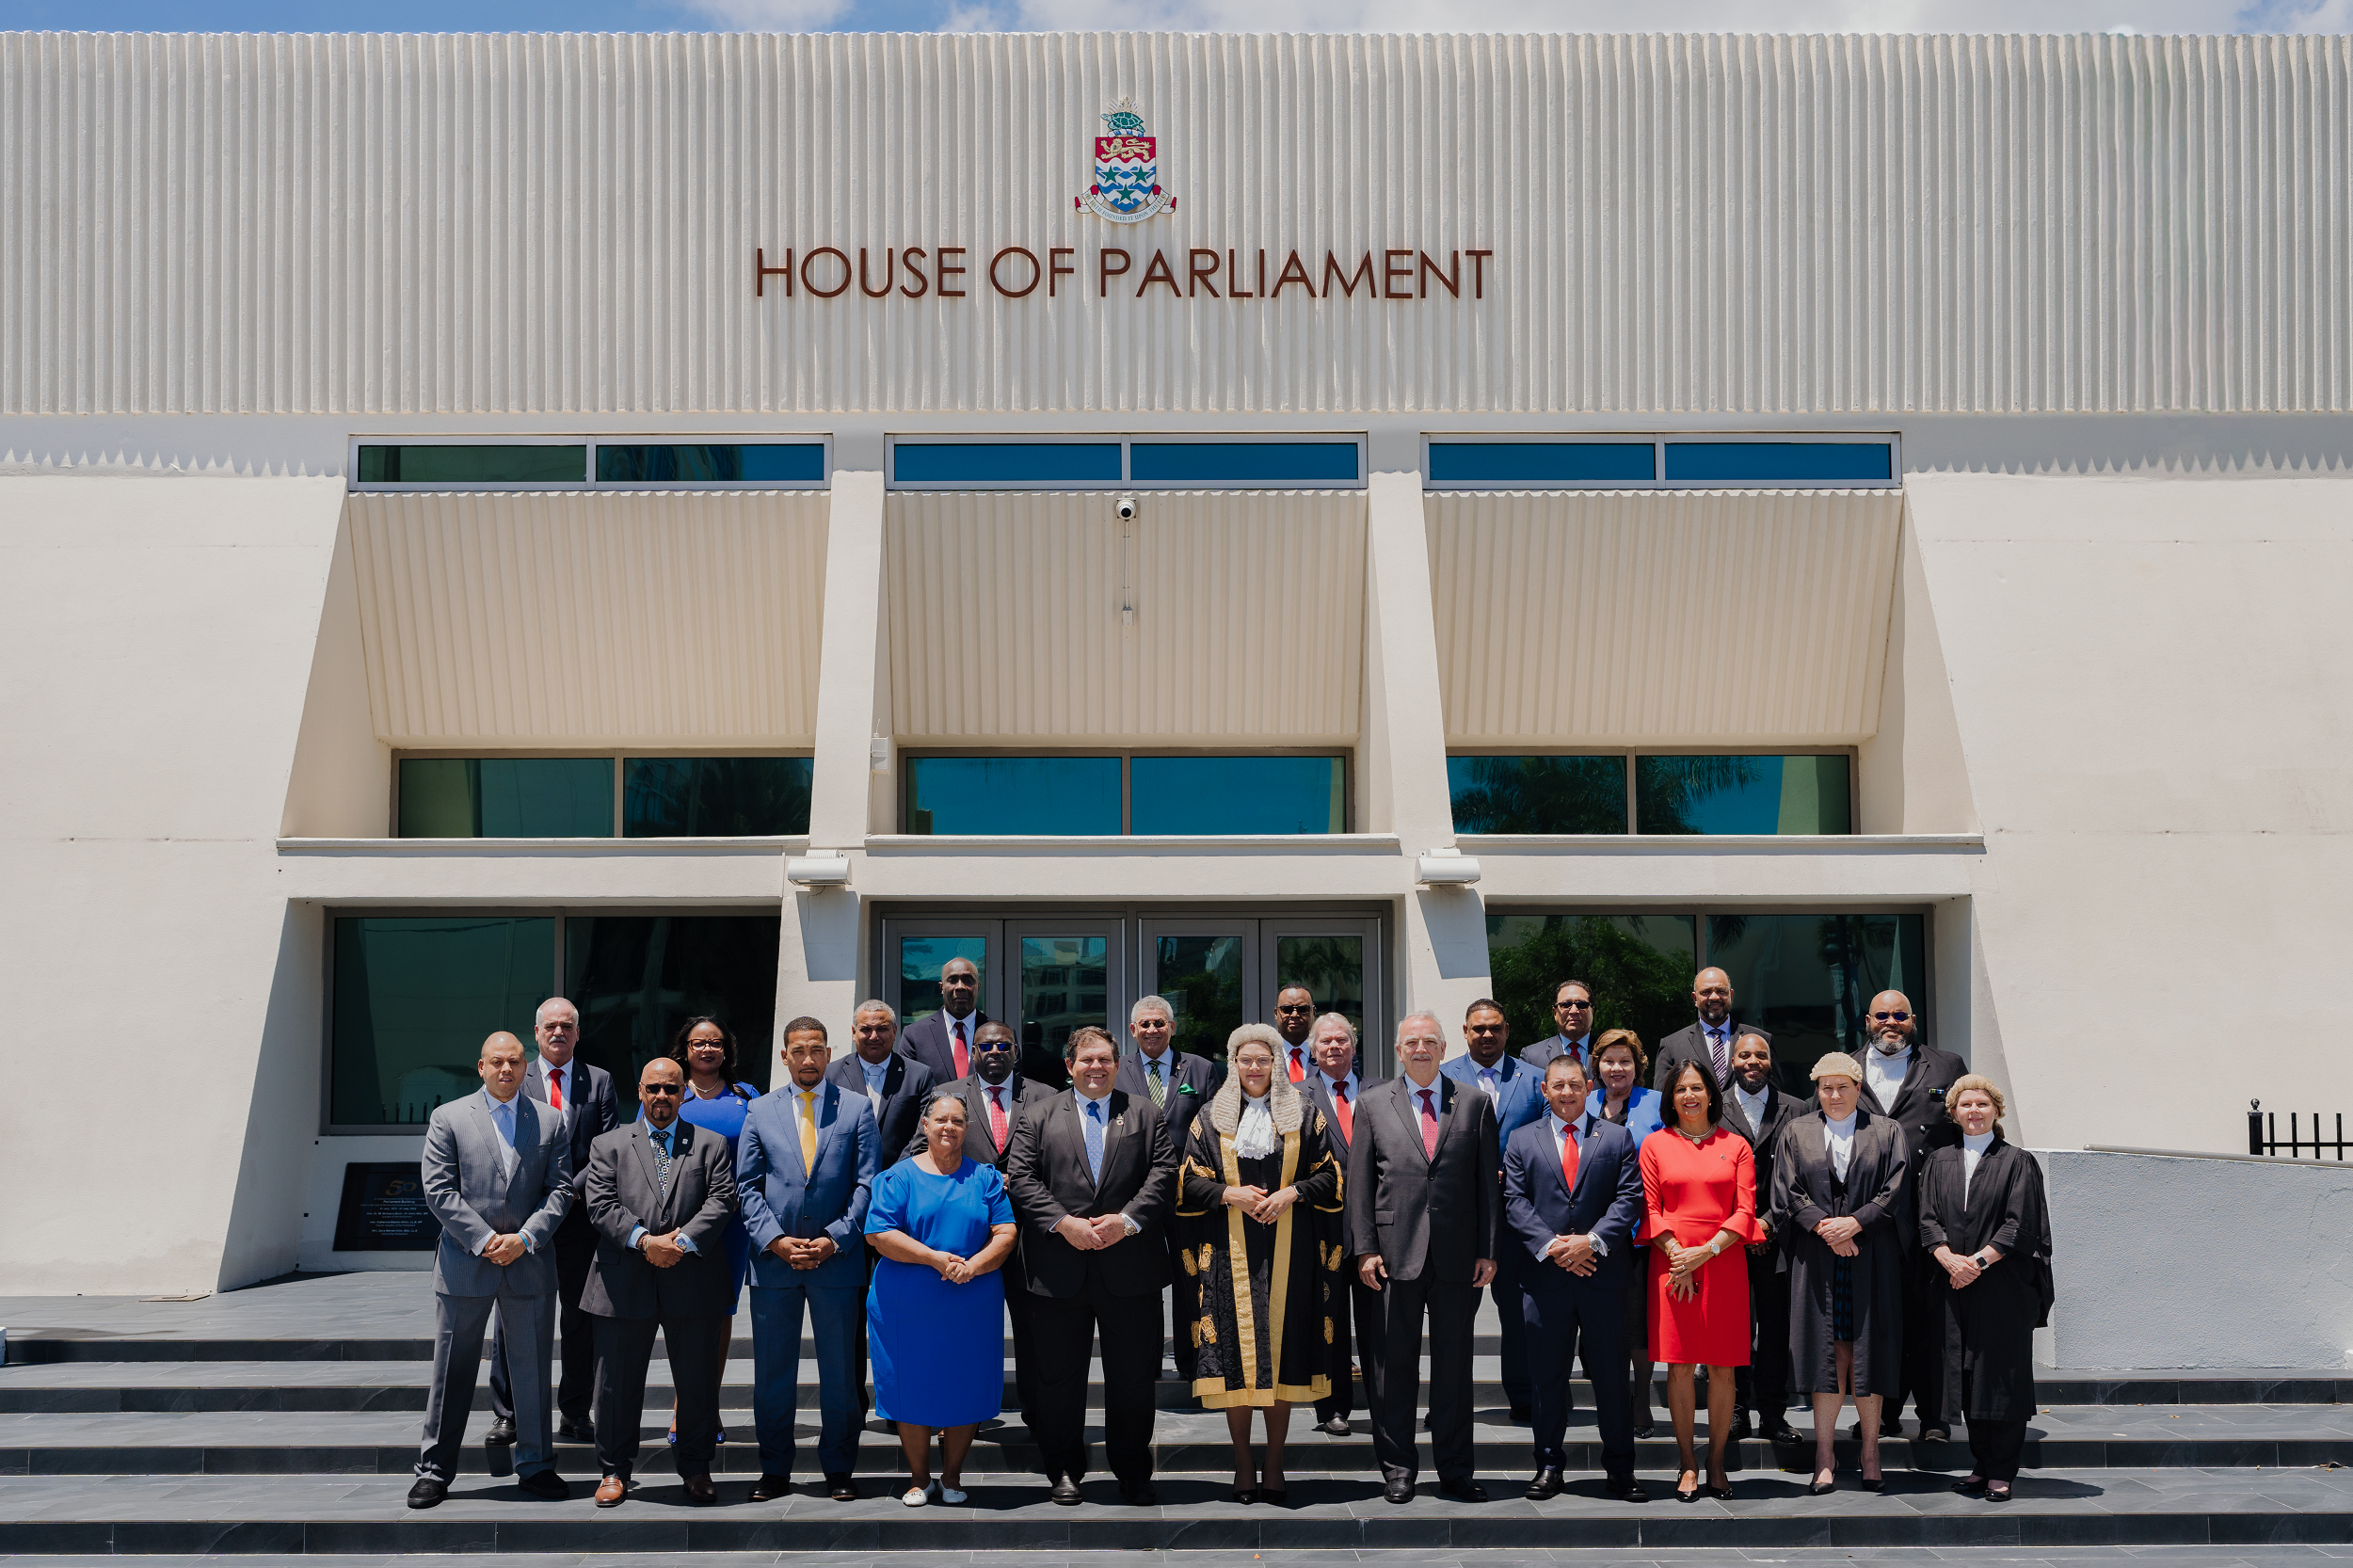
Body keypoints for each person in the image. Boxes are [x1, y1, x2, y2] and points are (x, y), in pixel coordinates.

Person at [1002, 1025, 1179, 1507]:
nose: (1096, 1068)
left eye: (1104, 1059)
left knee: (1133, 1378)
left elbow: (1164, 1172)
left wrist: (1128, 1221)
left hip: (1131, 1268)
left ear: (1118, 1064)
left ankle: (1132, 1471)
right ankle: (1062, 1469)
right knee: (1058, 1378)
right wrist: (1063, 1224)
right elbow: (1020, 1178)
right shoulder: (1038, 1116)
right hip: (1059, 1269)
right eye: (1086, 1061)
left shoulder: (1144, 1112)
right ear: (1069, 1066)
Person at [1176, 1024, 1346, 1504]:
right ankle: (1242, 1462)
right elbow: (1187, 1180)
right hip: (1229, 1258)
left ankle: (1274, 1461)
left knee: (1281, 1359)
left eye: (1263, 1059)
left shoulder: (1304, 1114)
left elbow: (1331, 1173)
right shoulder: (1209, 1117)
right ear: (1233, 1064)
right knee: (1237, 1363)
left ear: (1276, 1063)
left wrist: (1293, 1192)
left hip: (1290, 1257)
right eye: (1245, 1060)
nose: (1255, 1068)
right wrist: (1229, 1193)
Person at [409, 1032, 575, 1510]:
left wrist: (525, 1239)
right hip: (465, 1264)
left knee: (533, 1371)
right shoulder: (450, 1117)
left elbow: (561, 1189)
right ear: (480, 1066)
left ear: (527, 1068)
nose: (507, 1070)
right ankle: (435, 1470)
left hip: (529, 1263)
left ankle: (537, 1464)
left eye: (516, 1062)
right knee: (452, 1371)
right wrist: (484, 1241)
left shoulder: (548, 1120)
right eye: (497, 1062)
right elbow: (439, 1190)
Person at [1346, 1011, 1498, 1505]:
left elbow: (1486, 1188)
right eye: (1411, 1042)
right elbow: (1360, 1185)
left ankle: (1455, 1469)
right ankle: (1397, 1468)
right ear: (1397, 1050)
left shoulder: (1474, 1104)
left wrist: (1488, 1251)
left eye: (1429, 1040)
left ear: (1443, 1045)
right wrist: (1365, 1248)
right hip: (1393, 1255)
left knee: (1454, 1369)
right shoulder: (1371, 1104)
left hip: (1457, 1258)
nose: (1420, 1049)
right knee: (1394, 1368)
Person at [579, 1057, 740, 1508]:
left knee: (696, 1382)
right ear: (641, 1091)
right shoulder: (607, 1145)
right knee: (615, 1385)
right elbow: (600, 1205)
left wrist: (682, 1242)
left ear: (684, 1093)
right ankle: (613, 1471)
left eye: (671, 1089)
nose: (663, 1097)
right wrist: (645, 1241)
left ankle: (696, 1468)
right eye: (654, 1089)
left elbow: (723, 1199)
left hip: (693, 1280)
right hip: (623, 1280)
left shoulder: (709, 1145)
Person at [735, 1016, 877, 1503]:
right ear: (784, 1056)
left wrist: (835, 1239)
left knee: (840, 1374)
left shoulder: (856, 1109)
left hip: (836, 1263)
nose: (809, 1059)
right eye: (799, 1051)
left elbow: (866, 1184)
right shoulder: (758, 1110)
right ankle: (774, 1469)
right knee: (773, 1375)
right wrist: (775, 1240)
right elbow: (747, 1187)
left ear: (828, 1051)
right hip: (775, 1265)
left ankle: (839, 1468)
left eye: (817, 1050)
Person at [1502, 1055, 1647, 1503]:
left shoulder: (1618, 1137)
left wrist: (1591, 1243)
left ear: (1588, 1087)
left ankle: (1621, 1469)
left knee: (1610, 1378)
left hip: (1603, 1278)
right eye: (1557, 1086)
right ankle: (1548, 1465)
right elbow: (1514, 1201)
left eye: (1574, 1085)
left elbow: (1629, 1199)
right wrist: (1556, 1249)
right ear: (1544, 1091)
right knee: (1547, 1378)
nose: (1566, 1093)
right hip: (1546, 1279)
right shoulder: (1521, 1139)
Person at [866, 1089, 1018, 1506]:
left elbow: (1005, 1232)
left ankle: (951, 1478)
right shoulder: (897, 1177)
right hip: (907, 1303)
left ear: (967, 1129)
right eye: (941, 1120)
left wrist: (975, 1265)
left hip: (971, 1299)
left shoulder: (984, 1177)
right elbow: (879, 1233)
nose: (949, 1127)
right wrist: (934, 1258)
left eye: (957, 1121)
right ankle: (919, 1478)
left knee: (964, 1383)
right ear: (925, 1125)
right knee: (911, 1385)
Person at [1770, 1052, 1911, 1495]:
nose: (1834, 1095)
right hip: (1816, 1261)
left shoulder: (1887, 1131)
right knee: (1824, 1353)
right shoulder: (1797, 1131)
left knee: (1868, 1354)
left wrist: (1856, 1223)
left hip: (1872, 1258)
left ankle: (1871, 1452)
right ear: (1817, 1089)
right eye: (1826, 1087)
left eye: (1843, 1087)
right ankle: (1825, 1454)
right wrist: (1826, 1228)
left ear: (1858, 1088)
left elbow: (1898, 1187)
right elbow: (1785, 1190)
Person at [912, 1020, 1055, 1432]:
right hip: (967, 1242)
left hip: (1033, 1236)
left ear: (1016, 1051)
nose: (994, 1052)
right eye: (985, 1045)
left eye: (1003, 1045)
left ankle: (1038, 1413)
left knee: (1034, 1332)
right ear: (973, 1052)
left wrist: (1024, 1182)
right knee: (963, 1331)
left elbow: (1064, 1161)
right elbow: (918, 1153)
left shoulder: (1047, 1097)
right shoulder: (948, 1097)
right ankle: (959, 1413)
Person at [488, 997, 616, 1448]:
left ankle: (576, 1413)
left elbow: (604, 1151)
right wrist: (538, 1206)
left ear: (577, 1034)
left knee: (580, 1322)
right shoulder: (516, 1079)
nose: (558, 1033)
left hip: (579, 1223)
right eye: (550, 1027)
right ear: (537, 1033)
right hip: (524, 1226)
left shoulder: (599, 1082)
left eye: (567, 1026)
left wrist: (564, 1196)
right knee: (514, 1318)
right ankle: (510, 1415)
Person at [1918, 1076, 2054, 1504]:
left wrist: (1975, 1263)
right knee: (1967, 1375)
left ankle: (2002, 1470)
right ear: (1953, 1112)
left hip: (2001, 1286)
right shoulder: (1939, 1160)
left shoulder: (2018, 1161)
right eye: (1965, 1104)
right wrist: (1947, 1258)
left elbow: (2021, 1225)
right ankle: (1981, 1464)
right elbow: (1926, 1219)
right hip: (1952, 1284)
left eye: (1982, 1104)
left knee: (2001, 1378)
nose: (1973, 1111)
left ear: (1996, 1110)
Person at [1853, 988, 1967, 1442]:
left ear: (1913, 1020)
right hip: (1871, 1211)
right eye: (1882, 1015)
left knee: (1932, 1316)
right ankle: (1883, 1410)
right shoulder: (1845, 1067)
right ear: (1867, 1021)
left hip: (1930, 1208)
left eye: (1899, 1015)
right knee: (1880, 1317)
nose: (1890, 1022)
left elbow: (1966, 1128)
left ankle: (1936, 1417)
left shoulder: (1946, 1065)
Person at [1642, 1060, 1759, 1503]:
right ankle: (1687, 1462)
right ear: (1670, 1098)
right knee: (1680, 1366)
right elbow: (1650, 1209)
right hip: (1671, 1265)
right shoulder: (1654, 1144)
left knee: (1723, 1366)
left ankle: (1716, 1460)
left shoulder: (1738, 1145)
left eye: (1697, 1088)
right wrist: (1680, 1258)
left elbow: (1745, 1211)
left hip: (1723, 1261)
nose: (1689, 1096)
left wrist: (1703, 1254)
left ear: (1712, 1095)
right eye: (1680, 1090)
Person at [659, 1016, 760, 1451]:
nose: (706, 1050)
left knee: (720, 1314)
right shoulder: (668, 1095)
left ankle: (707, 1404)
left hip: (732, 1226)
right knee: (683, 1314)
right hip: (678, 1221)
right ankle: (685, 1404)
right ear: (684, 1049)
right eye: (698, 1043)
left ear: (726, 1050)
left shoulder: (747, 1097)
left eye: (715, 1043)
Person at [1442, 997, 1545, 1422]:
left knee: (1519, 1311)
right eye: (1478, 1028)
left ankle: (1522, 1398)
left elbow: (1543, 1140)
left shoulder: (1535, 1079)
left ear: (1507, 1031)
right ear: (1465, 1032)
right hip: (1459, 1216)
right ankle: (1449, 1402)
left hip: (1517, 1216)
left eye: (1495, 1028)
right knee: (1453, 1314)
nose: (1487, 1035)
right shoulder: (1443, 1076)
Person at [1113, 994, 1218, 1382]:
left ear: (1172, 1027)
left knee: (1191, 1279)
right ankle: (1147, 1362)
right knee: (1141, 1280)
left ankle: (1193, 1364)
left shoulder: (1202, 1069)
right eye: (1145, 1024)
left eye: (1160, 1023)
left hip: (1188, 1194)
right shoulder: (1116, 1069)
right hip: (1134, 1193)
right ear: (1133, 1030)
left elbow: (1216, 1127)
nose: (1152, 1030)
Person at [1721, 1032, 1803, 1444]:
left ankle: (1773, 1411)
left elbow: (1801, 1178)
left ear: (1771, 1061)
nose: (1752, 1061)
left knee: (1775, 1329)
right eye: (1744, 1055)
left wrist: (1767, 1223)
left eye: (1761, 1055)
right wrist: (1740, 1227)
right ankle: (1736, 1410)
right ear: (1732, 1061)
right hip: (1727, 1241)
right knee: (1735, 1327)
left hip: (1778, 1238)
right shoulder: (1714, 1108)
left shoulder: (1797, 1109)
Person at [1300, 1012, 1376, 1437]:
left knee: (1376, 1325)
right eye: (1325, 1041)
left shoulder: (1383, 1091)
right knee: (1326, 1324)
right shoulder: (1294, 1096)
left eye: (1342, 1040)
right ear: (1313, 1049)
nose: (1334, 1047)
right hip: (1318, 1229)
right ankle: (1331, 1408)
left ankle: (1384, 1401)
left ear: (1354, 1045)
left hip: (1373, 1232)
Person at [1586, 1029, 1664, 1436]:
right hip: (1588, 1234)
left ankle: (1640, 1399)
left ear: (1638, 1066)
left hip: (1639, 1232)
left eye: (1625, 1061)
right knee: (1598, 1322)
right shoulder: (1580, 1103)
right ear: (1596, 1065)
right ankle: (1608, 1397)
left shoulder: (1656, 1104)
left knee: (1637, 1323)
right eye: (1609, 1061)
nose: (1617, 1068)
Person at [828, 1000, 937, 1167]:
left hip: (901, 1178)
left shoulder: (919, 1076)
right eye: (865, 1029)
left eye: (882, 1029)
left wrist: (898, 1171)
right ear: (853, 1032)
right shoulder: (831, 1075)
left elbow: (925, 1131)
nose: (874, 1036)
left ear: (894, 1031)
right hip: (845, 1181)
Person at [1652, 968, 1770, 1095]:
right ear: (1695, 998)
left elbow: (1776, 1098)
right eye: (1706, 992)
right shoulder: (1672, 1046)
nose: (1714, 997)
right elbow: (1662, 1099)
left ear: (1730, 995)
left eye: (1721, 991)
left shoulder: (1761, 1040)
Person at [897, 957, 991, 1084]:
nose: (960, 987)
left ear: (978, 988)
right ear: (941, 988)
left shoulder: (1000, 1035)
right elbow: (907, 1086)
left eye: (968, 980)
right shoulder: (915, 1035)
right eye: (952, 980)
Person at [1519, 979, 1597, 1075]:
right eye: (1565, 1005)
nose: (1574, 1011)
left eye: (1581, 1005)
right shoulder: (1531, 1057)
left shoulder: (1610, 1051)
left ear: (1592, 1011)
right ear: (1555, 1013)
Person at [1272, 984, 1318, 1083]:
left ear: (1313, 1012)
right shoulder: (1265, 1054)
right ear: (1276, 1013)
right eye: (1287, 1009)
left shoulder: (1327, 1052)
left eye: (1303, 1009)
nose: (1294, 1014)